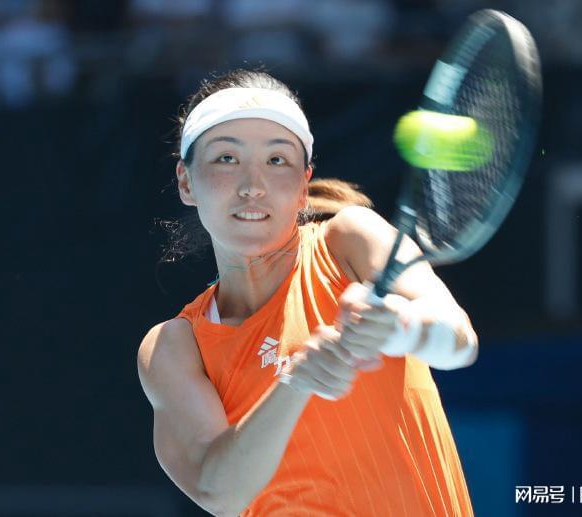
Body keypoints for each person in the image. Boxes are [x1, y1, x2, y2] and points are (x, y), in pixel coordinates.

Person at [137, 69, 478, 516]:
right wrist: (297, 382)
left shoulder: (351, 240)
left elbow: (459, 341)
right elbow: (220, 494)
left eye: (277, 160)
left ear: (303, 183)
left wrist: (397, 327)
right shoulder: (173, 348)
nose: (252, 185)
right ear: (186, 181)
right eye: (226, 158)